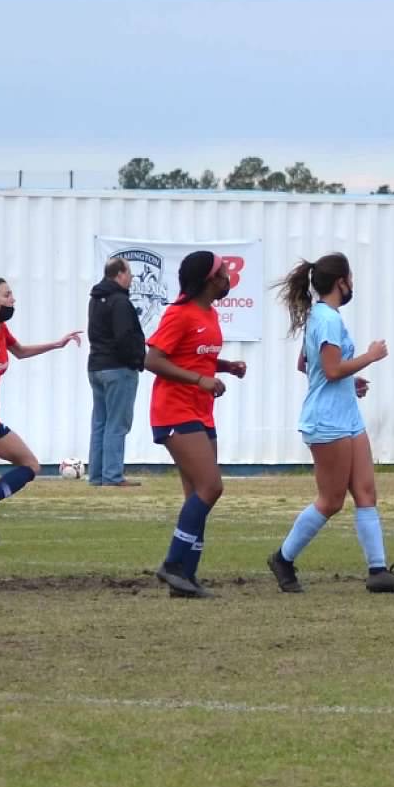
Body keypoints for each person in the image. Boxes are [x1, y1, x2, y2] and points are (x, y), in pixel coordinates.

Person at [266, 253, 394, 594]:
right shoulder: (327, 320)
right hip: (327, 421)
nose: (353, 285)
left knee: (366, 492)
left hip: (347, 417)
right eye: (351, 278)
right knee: (331, 500)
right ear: (340, 283)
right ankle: (283, 558)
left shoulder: (323, 316)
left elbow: (307, 364)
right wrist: (369, 357)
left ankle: (378, 571)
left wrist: (351, 382)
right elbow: (330, 370)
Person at [141, 252, 245, 597]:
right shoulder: (179, 314)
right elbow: (152, 360)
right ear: (208, 279)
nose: (228, 278)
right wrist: (199, 381)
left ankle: (185, 578)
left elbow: (196, 356)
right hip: (174, 411)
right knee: (212, 487)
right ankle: (172, 565)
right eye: (223, 273)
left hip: (201, 412)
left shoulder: (210, 313)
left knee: (197, 495)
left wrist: (225, 366)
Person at [0, 276, 84, 546]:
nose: (13, 300)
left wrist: (57, 344)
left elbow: (20, 352)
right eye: (7, 295)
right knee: (30, 465)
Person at [85, 257, 145, 487]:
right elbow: (124, 337)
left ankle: (97, 475)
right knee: (117, 423)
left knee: (100, 421)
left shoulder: (96, 299)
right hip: (118, 368)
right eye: (129, 273)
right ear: (119, 274)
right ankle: (113, 475)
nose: (131, 278)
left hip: (96, 366)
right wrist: (136, 359)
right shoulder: (120, 301)